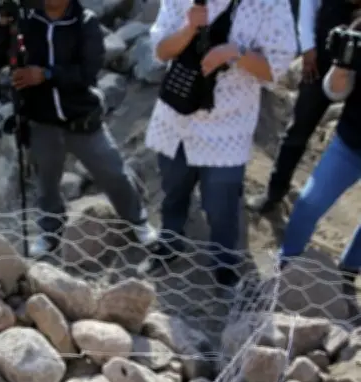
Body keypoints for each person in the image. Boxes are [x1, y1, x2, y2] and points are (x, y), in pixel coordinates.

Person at [140, 0, 297, 285]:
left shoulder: (270, 4)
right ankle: (170, 242)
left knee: (221, 204)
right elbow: (160, 51)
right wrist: (188, 29)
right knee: (173, 189)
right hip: (178, 116)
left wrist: (234, 53)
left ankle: (225, 263)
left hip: (229, 125)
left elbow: (276, 69)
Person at [0, 0, 159, 257]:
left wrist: (45, 74)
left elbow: (87, 72)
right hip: (40, 118)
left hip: (81, 117)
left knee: (112, 171)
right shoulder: (25, 19)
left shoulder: (85, 21)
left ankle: (138, 221)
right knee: (46, 182)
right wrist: (3, 26)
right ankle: (50, 232)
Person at [246, 0, 359, 214]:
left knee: (350, 144)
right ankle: (274, 192)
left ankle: (318, 206)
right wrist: (308, 47)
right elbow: (309, 5)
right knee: (298, 130)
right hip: (321, 59)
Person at [278, 18, 361, 284]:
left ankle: (347, 277)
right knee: (308, 204)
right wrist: (341, 67)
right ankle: (286, 269)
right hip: (351, 142)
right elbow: (334, 92)